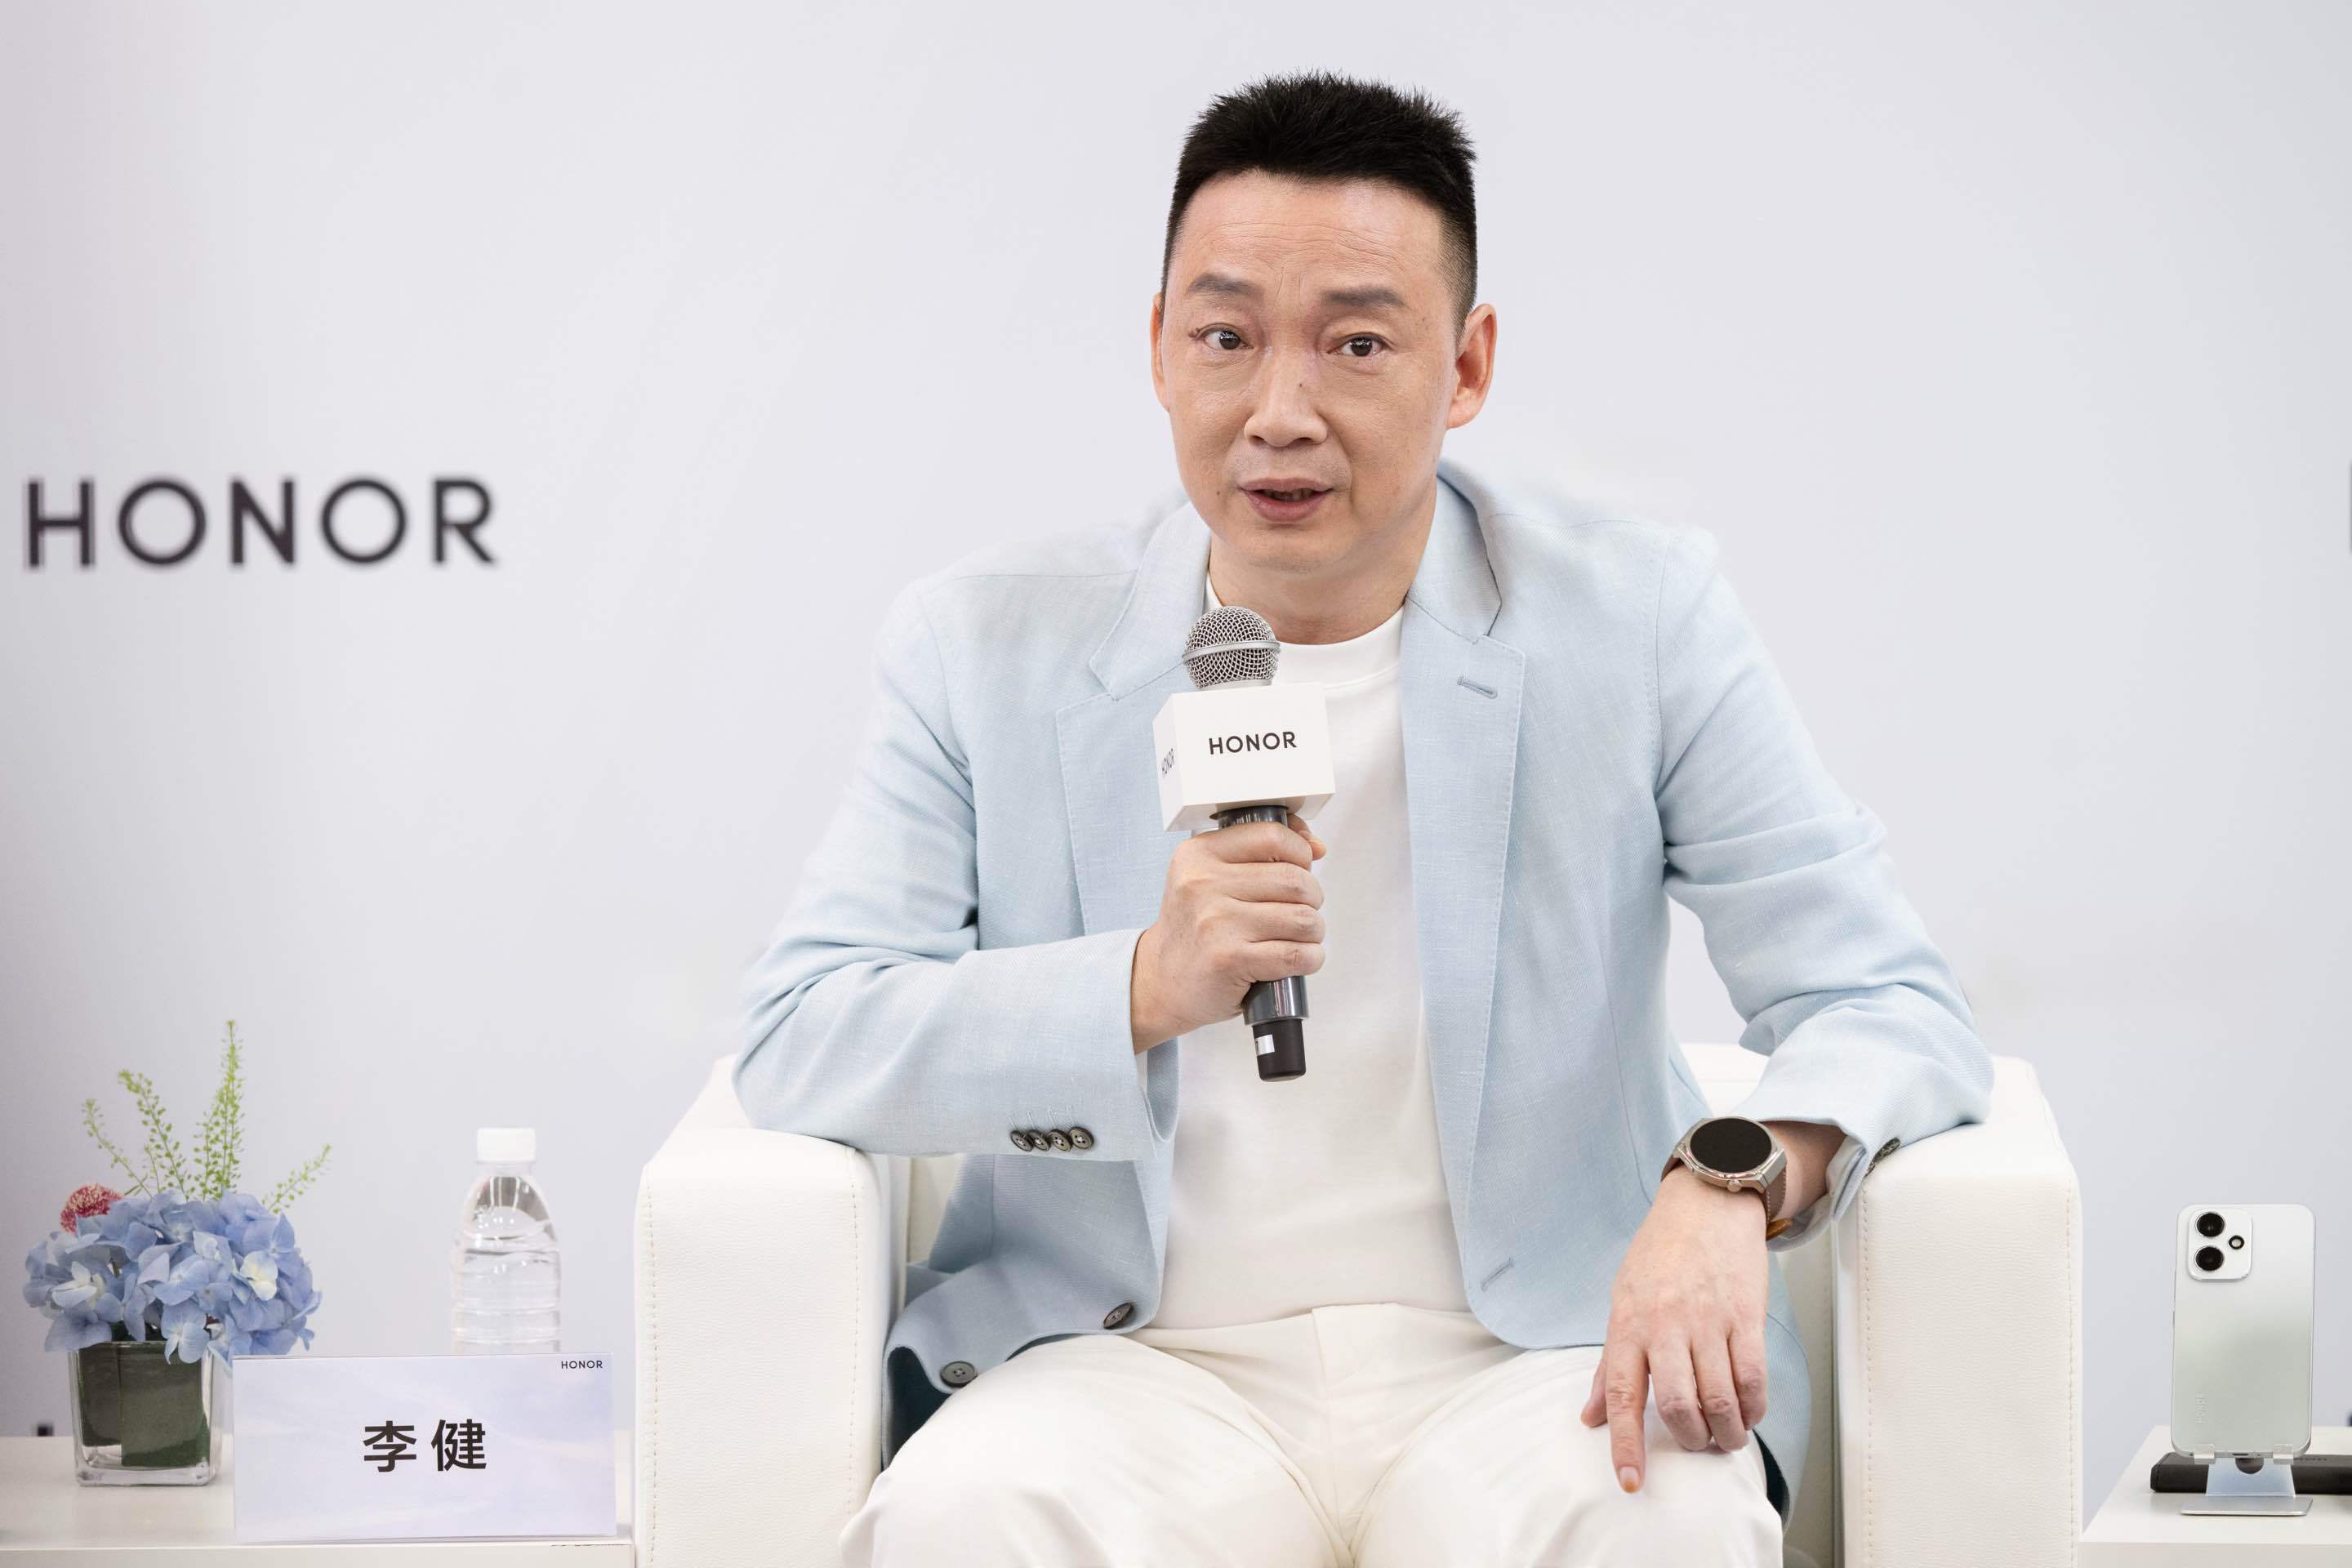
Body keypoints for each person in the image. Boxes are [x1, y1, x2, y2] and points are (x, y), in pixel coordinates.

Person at [737, 68, 1993, 1567]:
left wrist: (1725, 1182)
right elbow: (805, 1032)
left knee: (1657, 1526)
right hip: (1125, 1366)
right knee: (963, 1520)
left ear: (1466, 366)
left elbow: (1884, 998)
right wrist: (1140, 985)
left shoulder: (1637, 619)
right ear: (1158, 349)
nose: (1281, 413)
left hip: (1534, 1364)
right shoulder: (982, 643)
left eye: (1356, 343)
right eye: (1227, 338)